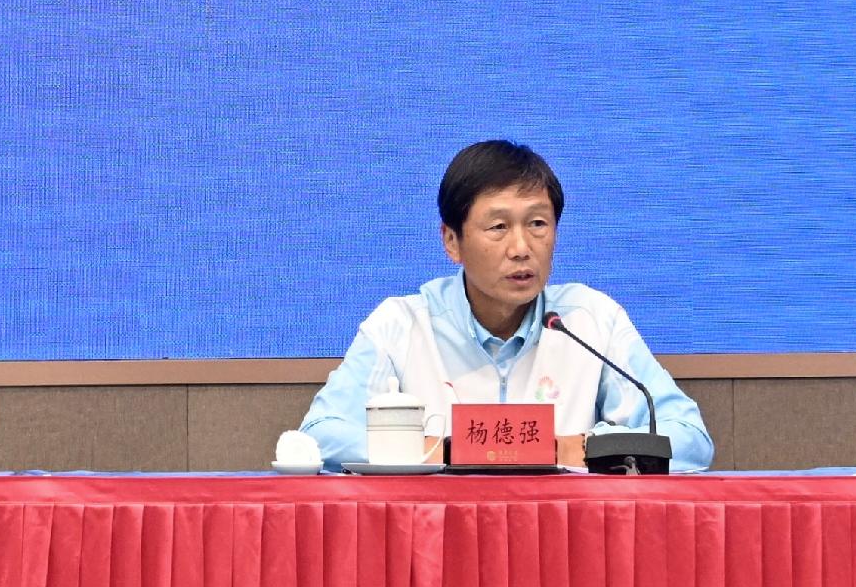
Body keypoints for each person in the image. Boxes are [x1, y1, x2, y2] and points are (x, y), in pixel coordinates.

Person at [300, 140, 711, 471]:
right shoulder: (403, 324)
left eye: (537, 224)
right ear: (451, 241)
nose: (521, 248)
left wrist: (580, 450)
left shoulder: (590, 320)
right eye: (498, 227)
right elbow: (320, 435)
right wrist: (440, 450)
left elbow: (689, 438)